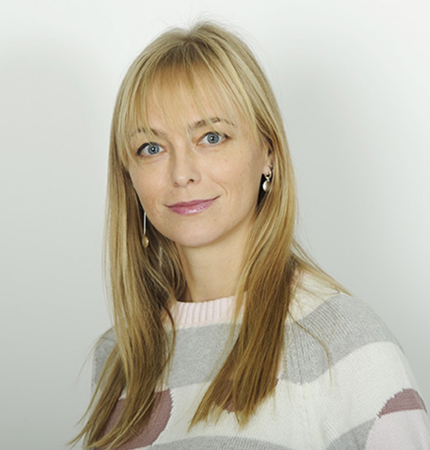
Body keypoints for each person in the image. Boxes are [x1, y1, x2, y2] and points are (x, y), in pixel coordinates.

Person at [73, 21, 430, 449]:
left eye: (211, 137)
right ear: (128, 173)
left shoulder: (343, 341)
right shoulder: (119, 356)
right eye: (152, 148)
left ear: (268, 153)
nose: (182, 173)